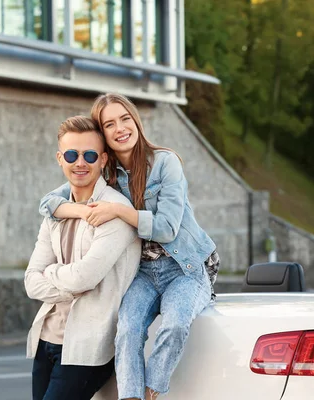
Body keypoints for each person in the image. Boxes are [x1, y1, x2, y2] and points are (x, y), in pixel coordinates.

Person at [39, 93, 220, 400]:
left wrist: (118, 210)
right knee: (127, 331)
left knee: (175, 324)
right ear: (103, 135)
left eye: (124, 119)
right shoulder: (105, 174)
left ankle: (151, 391)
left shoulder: (165, 163)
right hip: (144, 273)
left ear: (135, 120)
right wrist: (84, 211)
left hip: (185, 268)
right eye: (109, 124)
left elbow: (166, 227)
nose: (120, 128)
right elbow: (49, 202)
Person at [25, 115, 141, 400]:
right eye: (71, 154)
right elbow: (31, 282)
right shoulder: (56, 212)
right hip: (46, 338)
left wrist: (51, 273)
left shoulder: (115, 211)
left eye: (89, 155)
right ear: (59, 159)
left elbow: (84, 277)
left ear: (103, 160)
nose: (80, 163)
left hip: (88, 345)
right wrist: (66, 279)